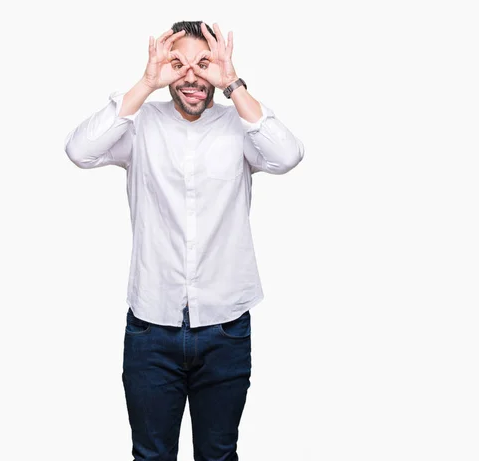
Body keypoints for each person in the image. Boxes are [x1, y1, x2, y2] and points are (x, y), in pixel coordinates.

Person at [64, 20, 304, 461]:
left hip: (226, 328)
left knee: (218, 455)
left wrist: (233, 84)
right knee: (152, 456)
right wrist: (147, 82)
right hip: (152, 329)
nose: (192, 76)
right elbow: (80, 150)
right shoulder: (140, 126)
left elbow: (288, 155)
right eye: (179, 64)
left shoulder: (239, 125)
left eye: (204, 63)